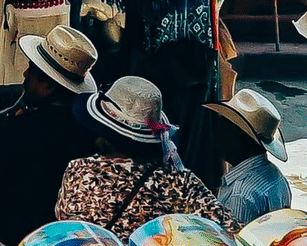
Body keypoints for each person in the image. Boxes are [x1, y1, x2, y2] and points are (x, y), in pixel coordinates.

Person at [0, 24, 101, 246]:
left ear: (47, 86)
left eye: (30, 69)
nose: (25, 74)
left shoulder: (17, 129)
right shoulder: (93, 135)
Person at [55, 75, 231, 231]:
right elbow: (227, 226)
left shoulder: (79, 171)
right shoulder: (179, 181)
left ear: (105, 135)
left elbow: (65, 222)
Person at [206, 88, 292, 229]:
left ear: (239, 138)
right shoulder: (276, 176)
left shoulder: (240, 196)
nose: (216, 133)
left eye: (223, 127)